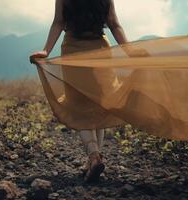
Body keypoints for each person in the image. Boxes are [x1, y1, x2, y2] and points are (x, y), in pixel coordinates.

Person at [30, 0, 128, 182]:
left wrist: (46, 50)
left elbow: (58, 22)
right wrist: (129, 49)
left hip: (73, 50)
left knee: (79, 104)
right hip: (100, 50)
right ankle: (95, 157)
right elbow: (114, 24)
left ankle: (93, 157)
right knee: (98, 104)